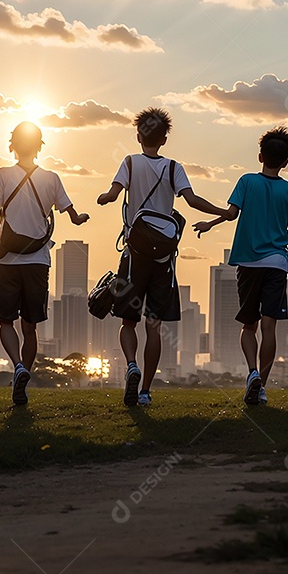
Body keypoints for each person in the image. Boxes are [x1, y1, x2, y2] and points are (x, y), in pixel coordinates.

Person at [97, 108, 231, 407]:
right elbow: (192, 200)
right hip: (163, 260)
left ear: (138, 136)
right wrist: (222, 212)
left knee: (127, 321)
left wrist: (106, 197)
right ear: (164, 139)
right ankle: (145, 390)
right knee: (153, 325)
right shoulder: (174, 168)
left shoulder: (129, 163)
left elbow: (114, 192)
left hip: (134, 255)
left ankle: (131, 364)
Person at [0, 122, 89, 405]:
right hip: (38, 262)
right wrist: (81, 218)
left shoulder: (3, 175)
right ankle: (24, 374)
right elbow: (72, 214)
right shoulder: (52, 178)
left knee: (5, 320)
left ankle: (17, 365)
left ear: (12, 145)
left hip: (7, 260)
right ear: (40, 145)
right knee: (30, 326)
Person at [194, 127, 288, 406]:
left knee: (249, 325)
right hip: (277, 264)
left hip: (247, 262)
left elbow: (231, 214)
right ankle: (263, 387)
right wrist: (284, 234)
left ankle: (252, 373)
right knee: (270, 327)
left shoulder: (246, 181)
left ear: (260, 156)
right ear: (286, 162)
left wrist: (210, 223)